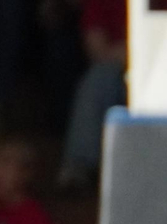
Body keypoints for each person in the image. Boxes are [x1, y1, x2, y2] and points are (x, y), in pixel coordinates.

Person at [57, 0, 127, 192]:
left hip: (164, 75)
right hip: (117, 75)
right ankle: (79, 166)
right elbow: (97, 51)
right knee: (98, 78)